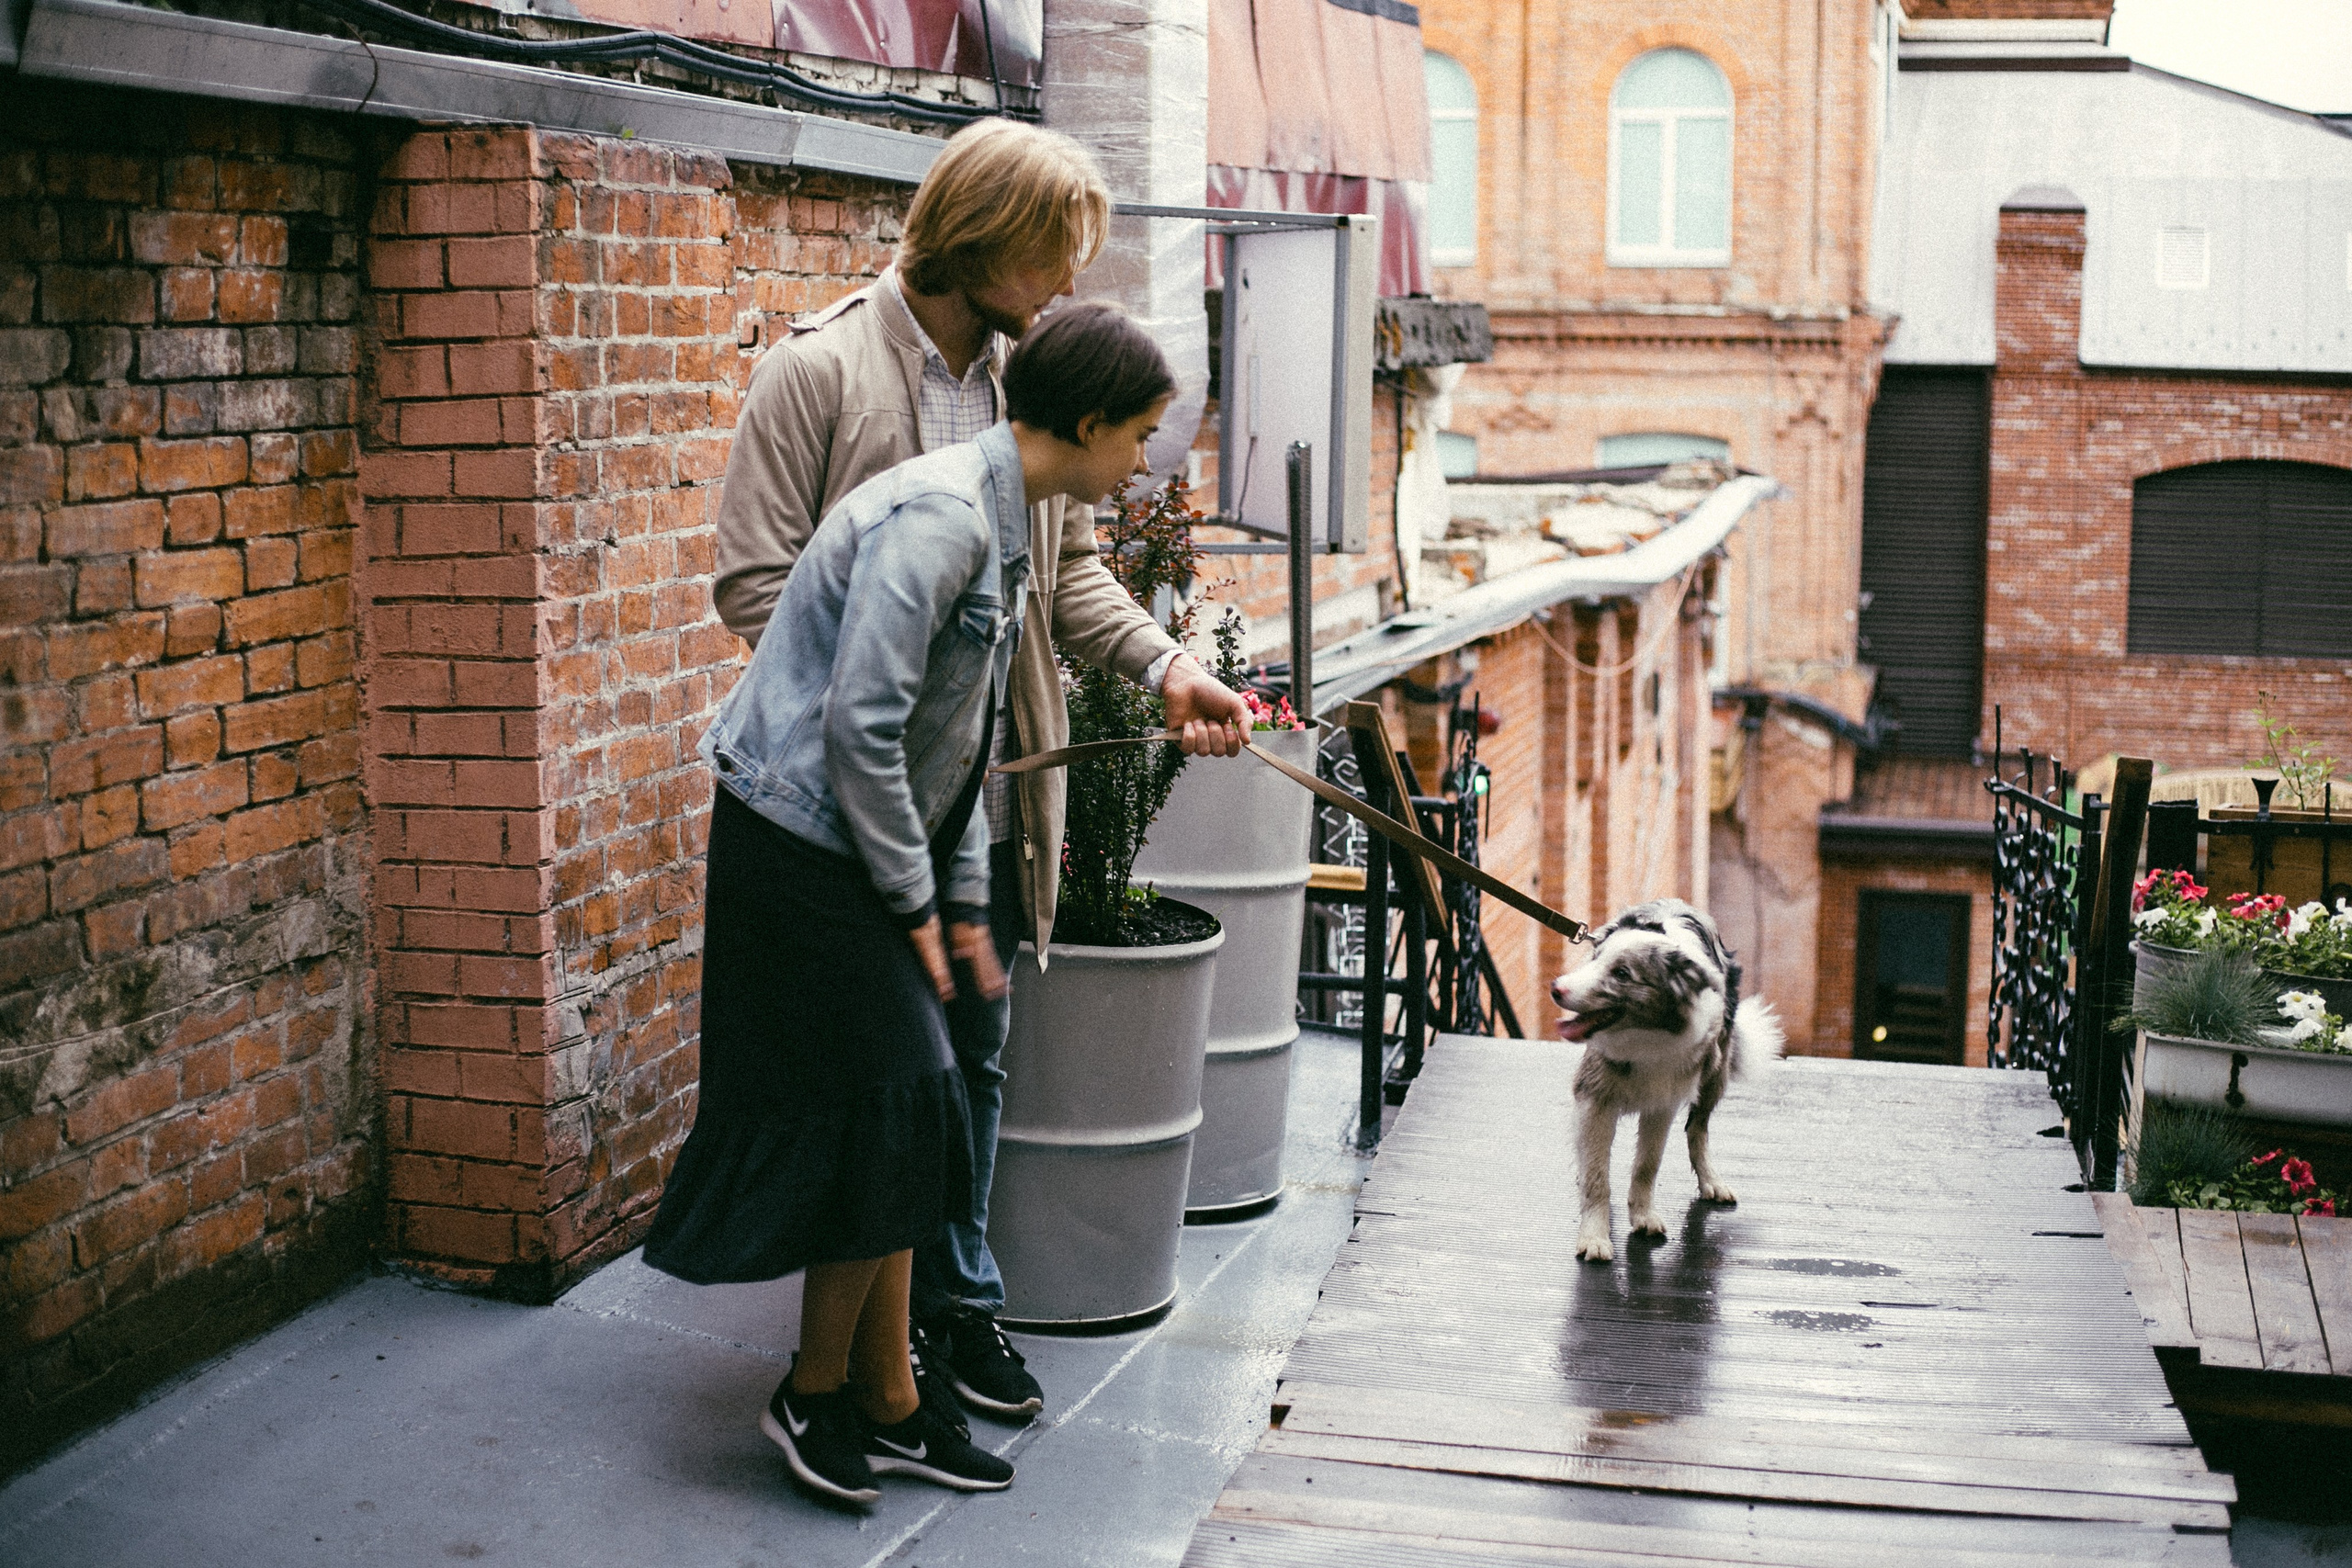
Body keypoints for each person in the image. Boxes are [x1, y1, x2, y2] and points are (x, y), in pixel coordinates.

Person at [708, 118, 1250, 1426]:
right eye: (1054, 255)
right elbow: (752, 583)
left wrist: (1169, 665)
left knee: (975, 1060)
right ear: (986, 236)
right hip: (856, 804)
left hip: (994, 797)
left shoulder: (1036, 380)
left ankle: (949, 1315)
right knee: (880, 1080)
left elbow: (1066, 579)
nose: (1070, 285)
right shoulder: (821, 373)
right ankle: (860, 1371)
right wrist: (899, 656)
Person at [642, 304, 1203, 1506]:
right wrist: (914, 902)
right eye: (1143, 435)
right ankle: (818, 1390)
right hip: (799, 837)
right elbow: (862, 730)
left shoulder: (1014, 511)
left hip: (869, 831)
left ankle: (883, 1396)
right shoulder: (944, 521)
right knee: (901, 1099)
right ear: (1091, 423)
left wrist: (951, 897)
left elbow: (962, 743)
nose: (1146, 462)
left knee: (905, 1109)